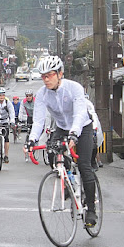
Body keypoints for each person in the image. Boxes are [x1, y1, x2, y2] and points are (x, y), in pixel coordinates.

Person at [26, 56, 98, 227]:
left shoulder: (74, 88)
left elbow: (80, 113)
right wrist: (31, 140)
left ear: (60, 73)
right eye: (43, 76)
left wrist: (74, 134)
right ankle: (68, 182)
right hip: (61, 127)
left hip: (82, 127)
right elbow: (39, 121)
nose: (46, 79)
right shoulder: (42, 94)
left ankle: (92, 210)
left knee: (84, 165)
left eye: (49, 75)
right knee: (52, 156)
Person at [0, 87, 15, 163]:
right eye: (0, 95)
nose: (1, 97)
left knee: (6, 138)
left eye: (3, 95)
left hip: (4, 121)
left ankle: (6, 155)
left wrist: (12, 121)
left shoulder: (8, 103)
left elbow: (12, 112)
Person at [85, 94, 103, 170]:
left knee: (93, 145)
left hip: (90, 126)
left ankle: (94, 162)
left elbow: (93, 116)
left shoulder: (88, 104)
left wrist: (94, 128)